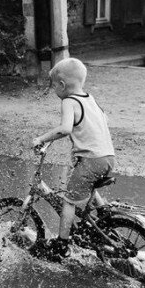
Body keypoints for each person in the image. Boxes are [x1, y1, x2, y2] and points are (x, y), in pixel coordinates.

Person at [31, 57, 115, 258]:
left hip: (91, 160)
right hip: (108, 158)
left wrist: (41, 139)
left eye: (53, 87)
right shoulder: (90, 98)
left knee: (69, 201)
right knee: (89, 187)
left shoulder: (69, 101)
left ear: (61, 85)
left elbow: (66, 128)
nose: (54, 91)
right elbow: (102, 120)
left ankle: (61, 244)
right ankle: (106, 219)